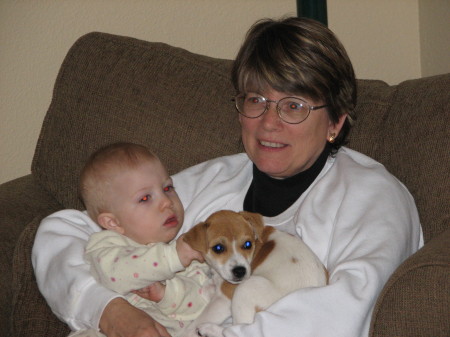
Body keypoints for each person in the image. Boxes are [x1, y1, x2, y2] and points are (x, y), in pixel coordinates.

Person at [32, 17, 423, 337]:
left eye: (293, 105)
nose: (269, 122)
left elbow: (347, 313)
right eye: (256, 100)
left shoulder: (372, 196)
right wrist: (108, 311)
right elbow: (65, 230)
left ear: (336, 121)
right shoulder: (214, 181)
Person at [61, 142, 210, 337]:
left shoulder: (189, 256)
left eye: (167, 188)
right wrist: (173, 257)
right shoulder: (107, 246)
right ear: (112, 223)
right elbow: (117, 274)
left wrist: (166, 293)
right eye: (145, 198)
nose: (167, 201)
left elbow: (202, 302)